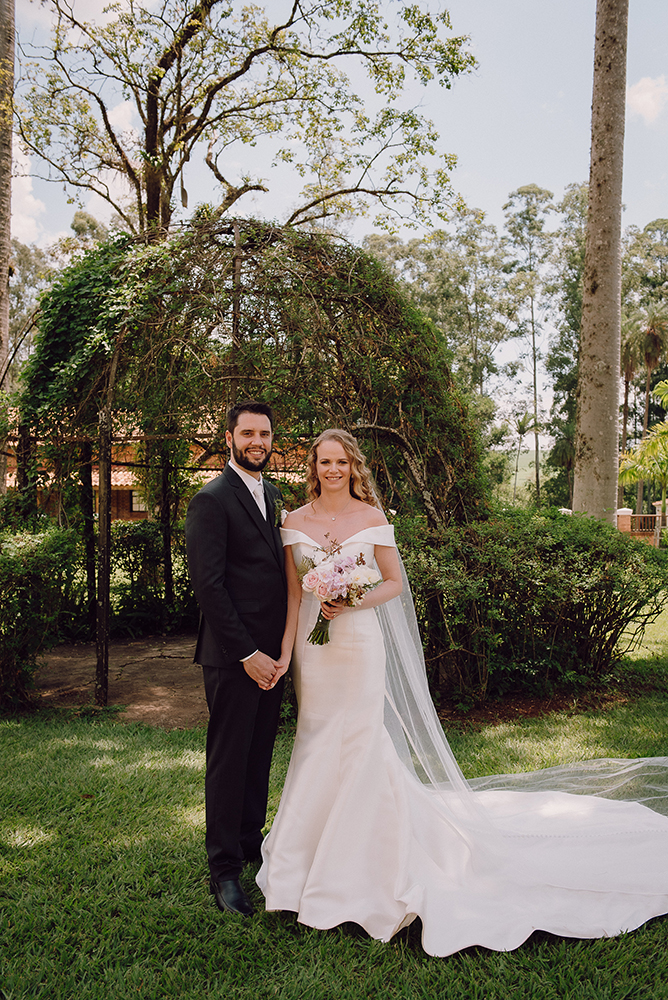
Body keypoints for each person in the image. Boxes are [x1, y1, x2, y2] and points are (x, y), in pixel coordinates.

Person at [256, 428, 668, 957]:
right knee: (314, 740)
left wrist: (352, 598)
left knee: (360, 742)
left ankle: (362, 865)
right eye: (324, 463)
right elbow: (293, 594)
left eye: (340, 462)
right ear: (313, 468)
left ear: (352, 467)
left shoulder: (373, 519)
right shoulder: (294, 522)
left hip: (358, 644)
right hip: (316, 655)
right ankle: (303, 860)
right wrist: (288, 651)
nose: (332, 470)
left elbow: (393, 584)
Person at [186, 400, 289, 917]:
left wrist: (278, 652)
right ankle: (224, 870)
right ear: (229, 437)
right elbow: (209, 586)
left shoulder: (272, 494)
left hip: (274, 657)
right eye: (247, 432)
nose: (257, 441)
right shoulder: (212, 499)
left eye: (265, 433)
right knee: (229, 760)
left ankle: (251, 844)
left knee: (259, 753)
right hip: (234, 657)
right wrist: (247, 653)